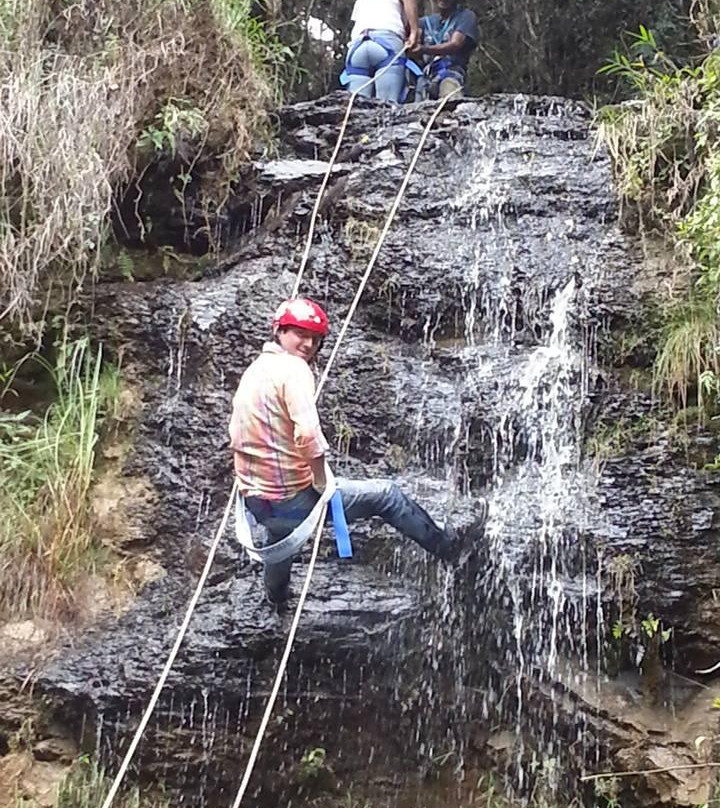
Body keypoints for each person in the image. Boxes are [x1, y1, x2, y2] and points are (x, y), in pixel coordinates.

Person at [229, 297, 485, 606]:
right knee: (386, 495)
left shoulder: (256, 370)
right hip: (290, 501)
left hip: (258, 503)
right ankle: (450, 548)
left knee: (280, 535)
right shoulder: (293, 370)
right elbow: (308, 435)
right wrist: (322, 482)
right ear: (280, 331)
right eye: (300, 333)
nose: (309, 344)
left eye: (315, 338)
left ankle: (276, 597)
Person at [342, 0, 420, 102]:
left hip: (358, 45)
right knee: (387, 107)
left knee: (356, 107)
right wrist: (414, 31)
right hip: (387, 40)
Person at [414, 0, 478, 99]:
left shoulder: (465, 16)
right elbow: (413, 41)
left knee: (449, 93)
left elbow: (455, 44)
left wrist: (424, 49)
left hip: (451, 73)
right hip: (426, 78)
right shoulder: (424, 22)